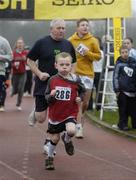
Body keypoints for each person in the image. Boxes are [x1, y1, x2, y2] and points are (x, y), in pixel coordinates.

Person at [27, 18, 76, 153]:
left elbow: (74, 63)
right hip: (43, 84)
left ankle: (50, 142)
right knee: (41, 118)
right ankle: (36, 110)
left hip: (61, 87)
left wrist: (72, 77)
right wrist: (39, 73)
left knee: (57, 116)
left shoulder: (68, 44)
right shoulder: (41, 43)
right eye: (59, 28)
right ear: (51, 29)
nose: (62, 31)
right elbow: (30, 60)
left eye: (63, 28)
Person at [44, 52, 85, 170]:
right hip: (55, 115)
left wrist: (80, 98)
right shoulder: (52, 80)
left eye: (67, 64)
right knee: (54, 139)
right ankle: (50, 157)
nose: (64, 67)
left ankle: (67, 139)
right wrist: (51, 96)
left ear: (71, 66)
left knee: (71, 131)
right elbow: (46, 97)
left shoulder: (76, 79)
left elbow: (83, 91)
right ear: (55, 65)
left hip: (70, 112)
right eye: (62, 64)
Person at [69, 18, 101, 138]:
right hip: (75, 73)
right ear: (77, 27)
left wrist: (87, 53)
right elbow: (66, 55)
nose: (85, 27)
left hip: (88, 74)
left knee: (85, 103)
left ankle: (80, 121)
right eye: (82, 25)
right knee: (78, 101)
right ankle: (78, 127)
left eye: (87, 25)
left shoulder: (93, 41)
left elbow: (98, 57)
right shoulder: (71, 40)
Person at [113, 45, 136, 131]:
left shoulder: (134, 63)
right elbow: (115, 77)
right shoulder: (119, 64)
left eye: (126, 52)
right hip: (122, 91)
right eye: (122, 52)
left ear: (129, 52)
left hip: (133, 91)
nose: (125, 54)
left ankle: (134, 124)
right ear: (120, 54)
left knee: (133, 109)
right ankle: (123, 124)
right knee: (123, 109)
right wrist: (117, 89)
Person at [11, 37, 28, 111]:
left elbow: (28, 60)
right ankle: (14, 91)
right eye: (18, 43)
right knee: (15, 88)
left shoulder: (25, 52)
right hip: (15, 74)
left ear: (23, 44)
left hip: (23, 73)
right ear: (16, 44)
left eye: (21, 43)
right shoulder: (13, 53)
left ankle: (18, 104)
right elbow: (10, 62)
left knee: (21, 89)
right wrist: (14, 65)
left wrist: (25, 59)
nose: (20, 44)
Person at [88, 36, 104, 111]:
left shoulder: (101, 52)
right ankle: (89, 106)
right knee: (89, 90)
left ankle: (99, 107)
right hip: (91, 72)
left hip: (99, 72)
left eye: (97, 42)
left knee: (99, 90)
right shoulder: (90, 51)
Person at [0, 35, 13, 112]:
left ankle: (1, 104)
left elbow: (11, 56)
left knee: (2, 88)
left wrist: (1, 57)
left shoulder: (4, 42)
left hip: (1, 71)